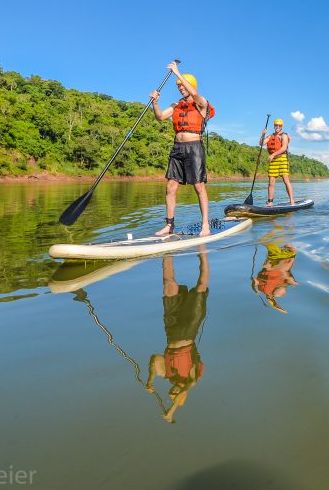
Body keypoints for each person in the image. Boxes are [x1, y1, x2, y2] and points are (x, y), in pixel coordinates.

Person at [150, 62, 214, 236]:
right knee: (170, 187)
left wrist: (177, 72)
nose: (180, 89)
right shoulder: (177, 105)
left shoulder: (201, 103)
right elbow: (160, 117)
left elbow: (193, 93)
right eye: (178, 86)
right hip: (177, 148)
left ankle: (205, 225)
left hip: (194, 148)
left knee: (199, 186)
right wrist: (155, 102)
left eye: (182, 85)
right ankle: (169, 225)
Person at [145, 251, 209, 423]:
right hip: (189, 331)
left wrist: (150, 381)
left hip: (171, 332)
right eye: (176, 395)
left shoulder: (167, 374)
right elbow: (189, 386)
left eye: (171, 394)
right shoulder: (192, 379)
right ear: (182, 394)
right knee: (201, 287)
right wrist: (171, 411)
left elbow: (154, 359)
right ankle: (203, 254)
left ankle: (167, 252)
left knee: (168, 285)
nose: (173, 392)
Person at [251, 244, 298, 314]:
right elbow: (254, 280)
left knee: (285, 248)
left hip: (285, 257)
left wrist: (255, 287)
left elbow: (255, 281)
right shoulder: (264, 289)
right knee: (272, 245)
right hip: (276, 260)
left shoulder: (285, 281)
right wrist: (255, 288)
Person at [260, 118, 295, 206]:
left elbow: (283, 148)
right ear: (274, 126)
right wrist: (263, 135)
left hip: (282, 159)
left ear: (282, 126)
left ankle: (292, 201)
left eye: (279, 125)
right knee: (271, 181)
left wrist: (272, 155)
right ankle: (270, 202)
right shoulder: (270, 136)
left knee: (285, 180)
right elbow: (261, 143)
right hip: (273, 160)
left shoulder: (284, 135)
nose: (277, 127)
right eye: (276, 125)